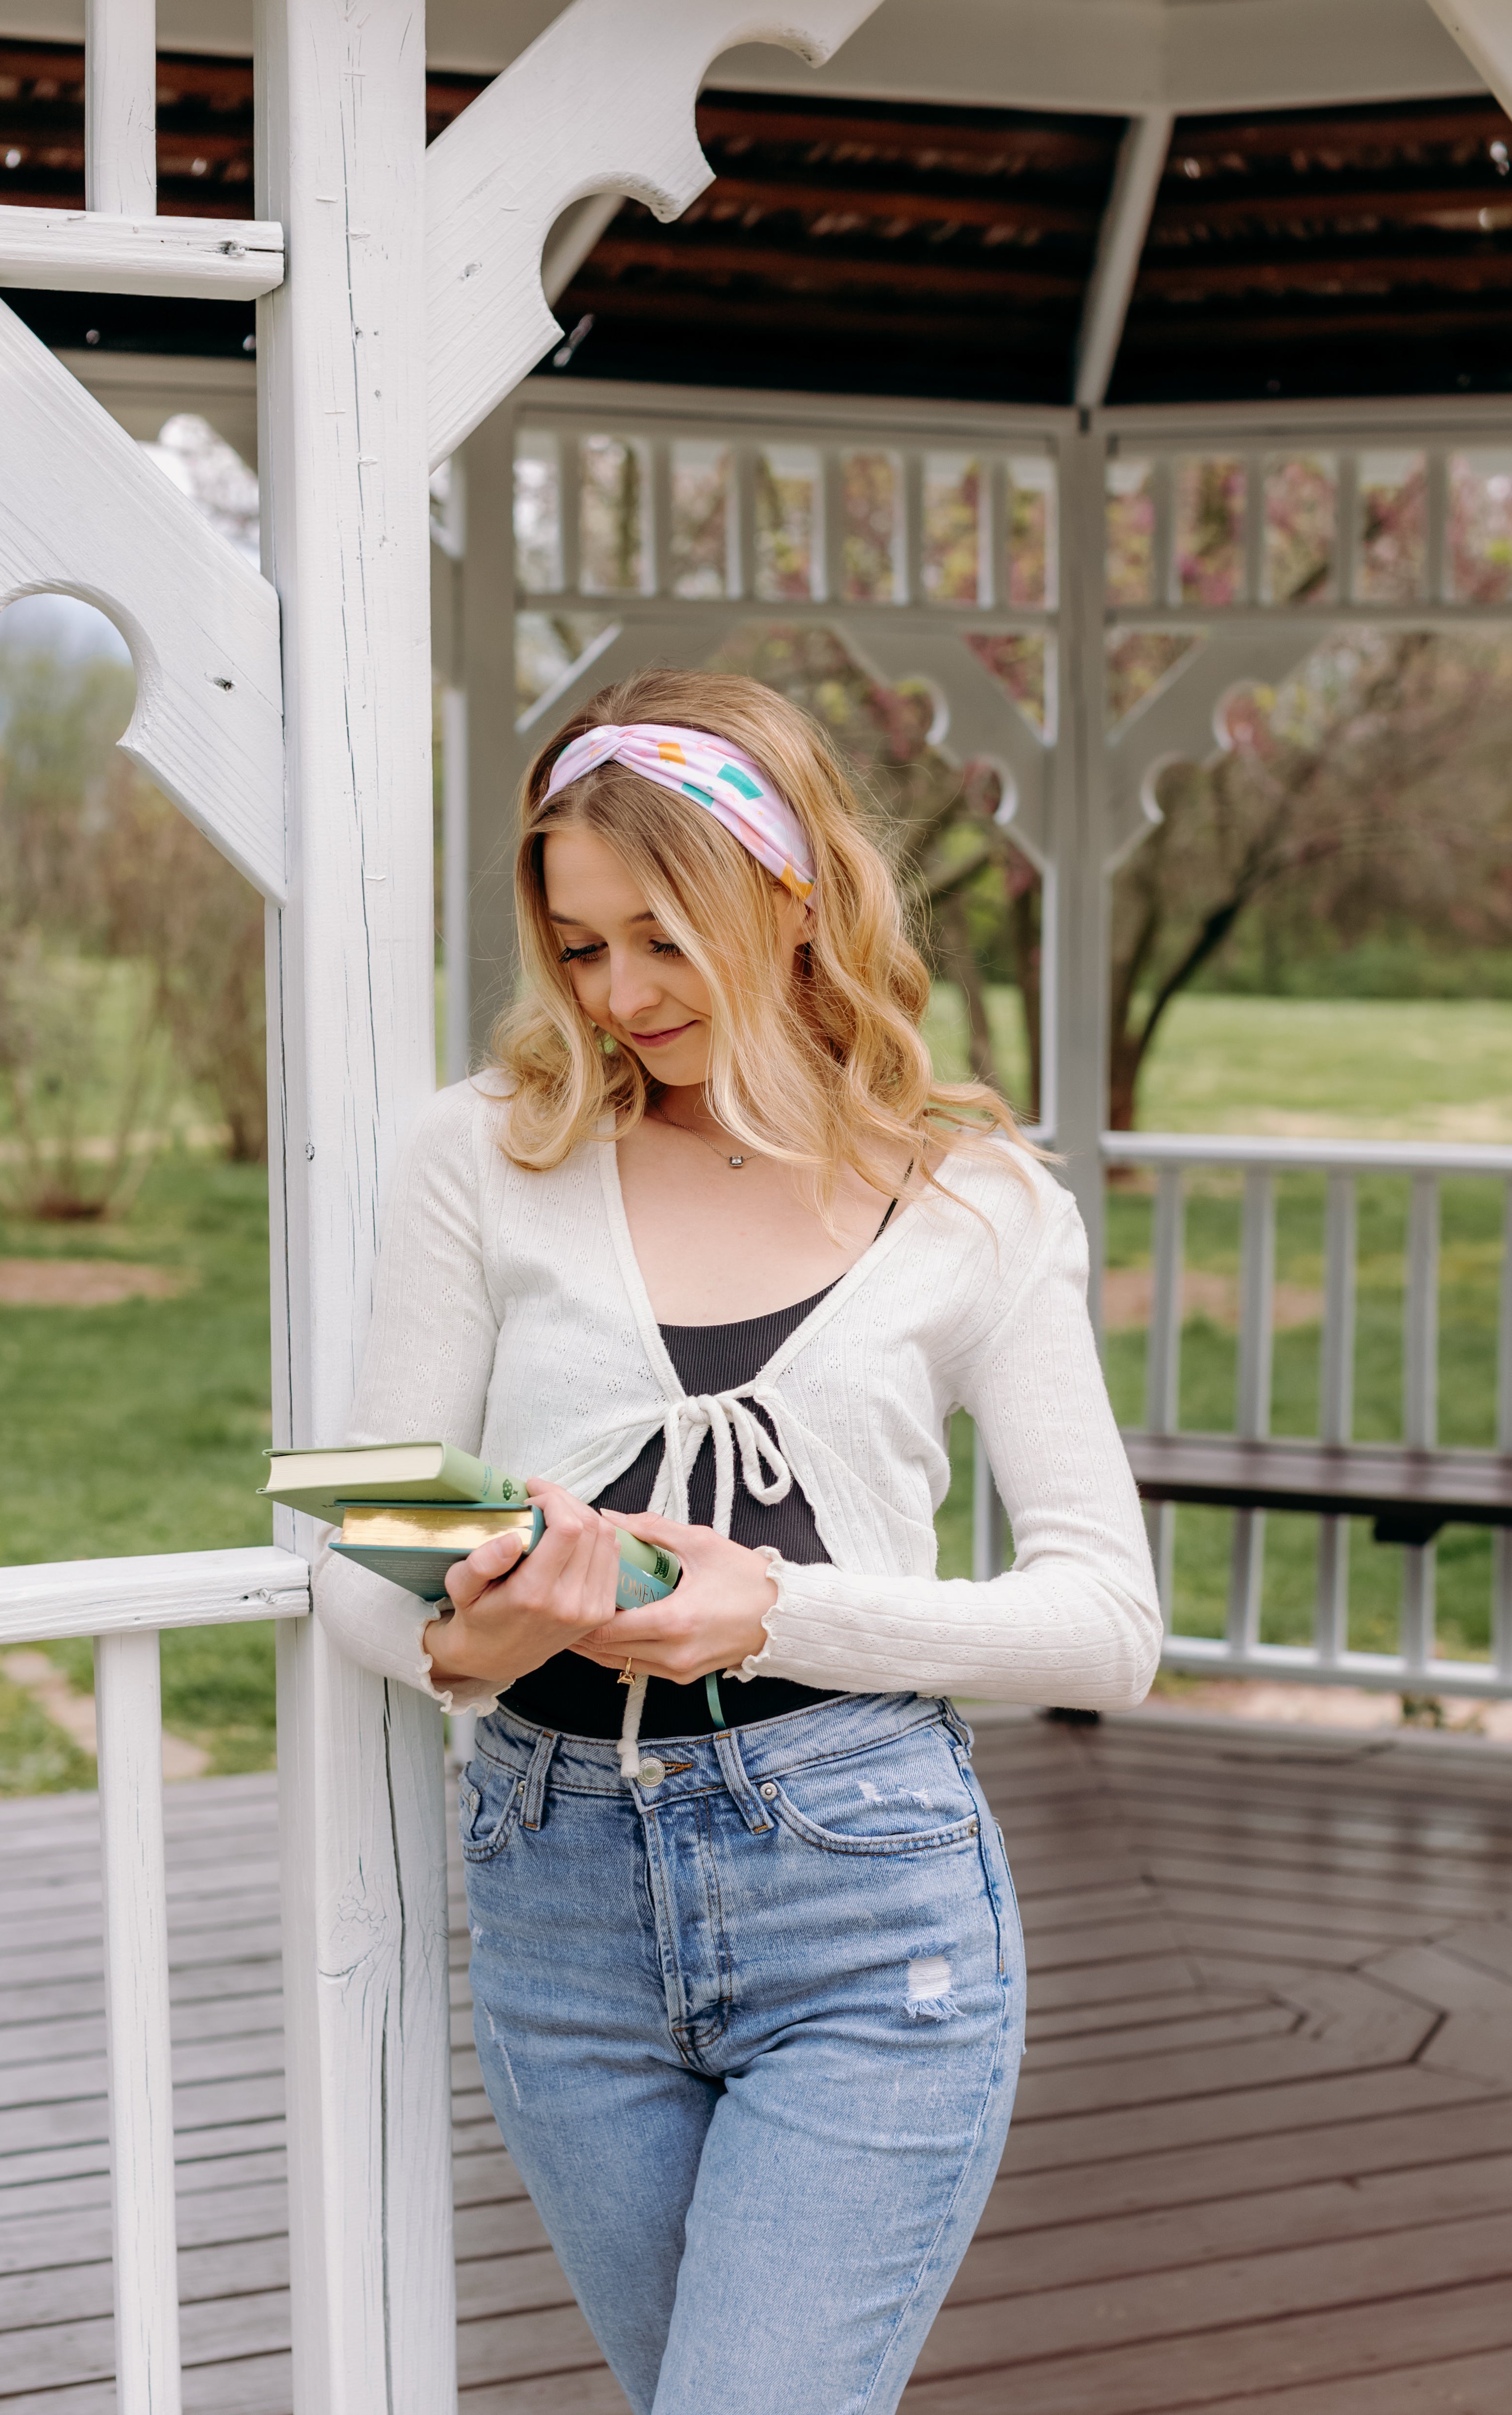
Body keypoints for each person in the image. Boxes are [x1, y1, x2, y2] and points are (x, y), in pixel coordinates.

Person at [314, 669, 1159, 2415]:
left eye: (661, 939)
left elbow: (1103, 1623)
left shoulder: (973, 1199)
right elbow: (362, 1554)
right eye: (577, 947)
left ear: (786, 899)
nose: (616, 995)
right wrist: (464, 1641)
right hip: (554, 1899)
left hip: (865, 1899)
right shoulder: (479, 1153)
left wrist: (765, 1607)